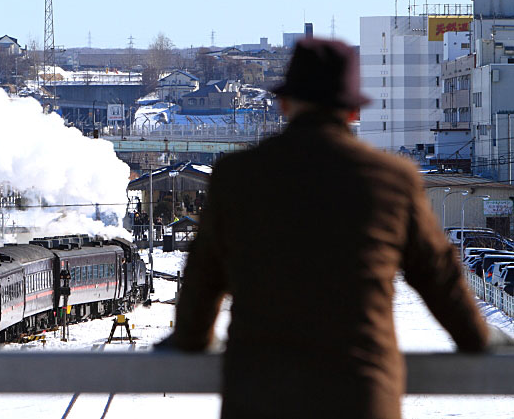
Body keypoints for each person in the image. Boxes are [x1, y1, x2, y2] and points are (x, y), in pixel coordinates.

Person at [159, 38, 493, 419]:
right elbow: (438, 275)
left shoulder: (238, 176)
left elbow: (203, 277)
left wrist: (191, 339)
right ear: (352, 111)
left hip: (260, 394)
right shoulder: (392, 179)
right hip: (360, 396)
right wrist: (477, 338)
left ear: (285, 104)